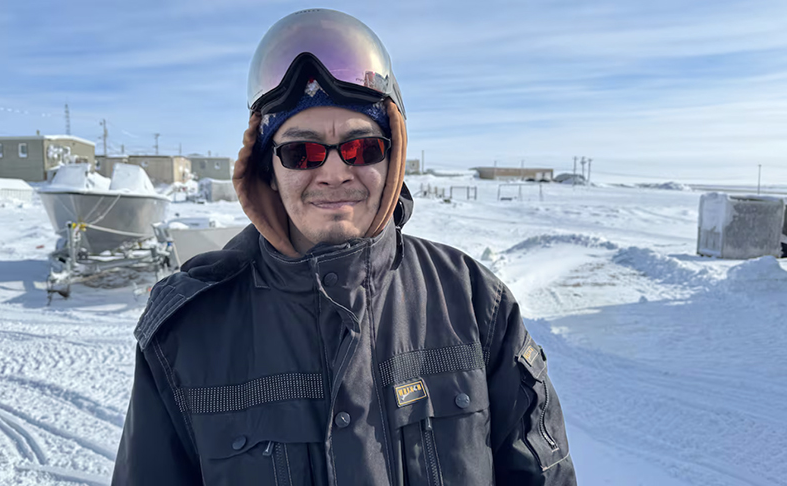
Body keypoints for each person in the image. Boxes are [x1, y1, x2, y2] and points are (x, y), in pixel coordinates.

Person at [112, 8, 576, 485]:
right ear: (268, 169)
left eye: (362, 148)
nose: (334, 172)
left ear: (392, 156)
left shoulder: (475, 301)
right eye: (302, 152)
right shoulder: (188, 333)